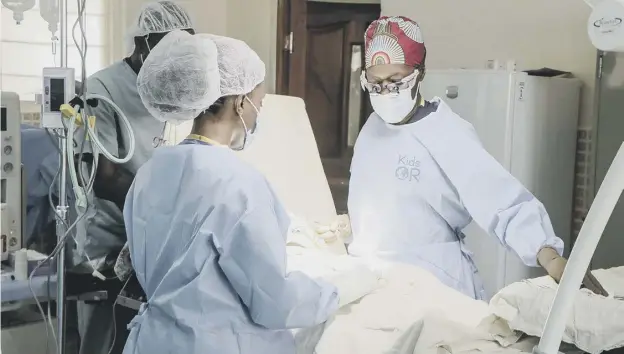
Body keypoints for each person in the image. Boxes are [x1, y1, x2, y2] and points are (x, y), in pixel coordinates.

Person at [342, 16, 608, 300]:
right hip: (374, 283)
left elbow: (499, 199)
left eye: (396, 81)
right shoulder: (371, 129)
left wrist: (549, 256)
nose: (385, 92)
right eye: (376, 83)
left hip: (433, 286)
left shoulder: (445, 132)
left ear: (419, 73)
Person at [122, 31, 339, 354]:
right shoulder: (238, 184)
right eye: (259, 103)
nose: (257, 113)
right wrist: (334, 291)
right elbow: (274, 301)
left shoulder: (149, 173)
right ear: (240, 103)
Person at [74, 2, 195, 354]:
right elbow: (104, 176)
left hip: (160, 236)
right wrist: (162, 204)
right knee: (106, 337)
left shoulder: (179, 86)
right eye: (165, 51)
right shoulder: (103, 89)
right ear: (142, 44)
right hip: (111, 239)